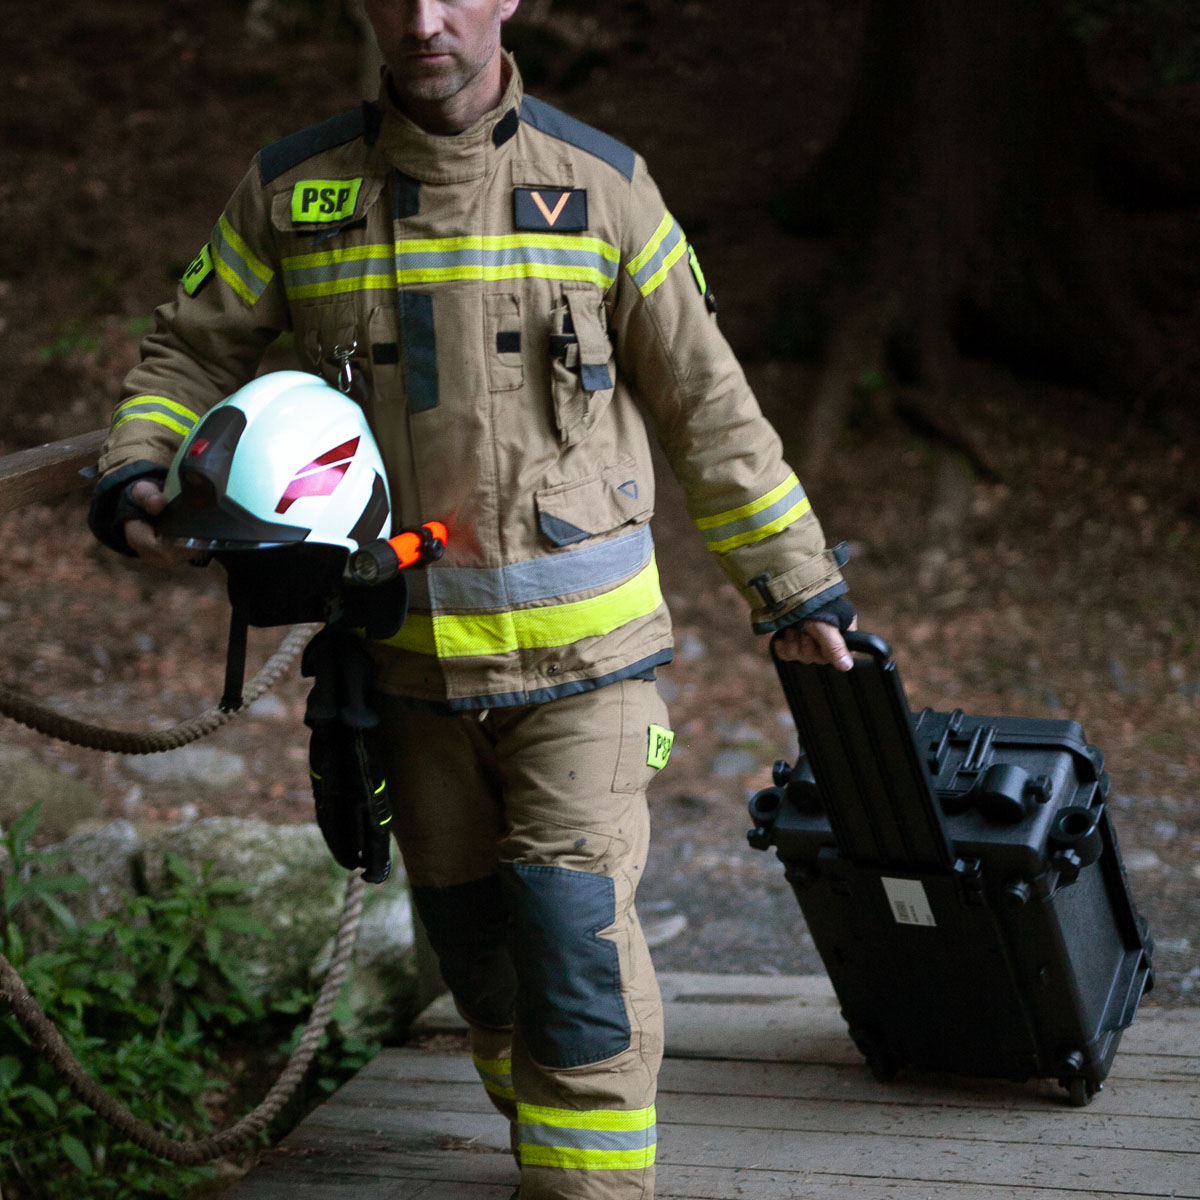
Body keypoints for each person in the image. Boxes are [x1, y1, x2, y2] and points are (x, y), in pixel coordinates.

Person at [89, 1, 855, 1195]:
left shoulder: (603, 189)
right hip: (401, 666)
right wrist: (140, 466)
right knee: (476, 953)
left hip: (585, 671)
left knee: (570, 938)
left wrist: (795, 586)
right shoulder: (294, 192)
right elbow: (189, 349)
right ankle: (543, 1135)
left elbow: (710, 407)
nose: (425, 21)